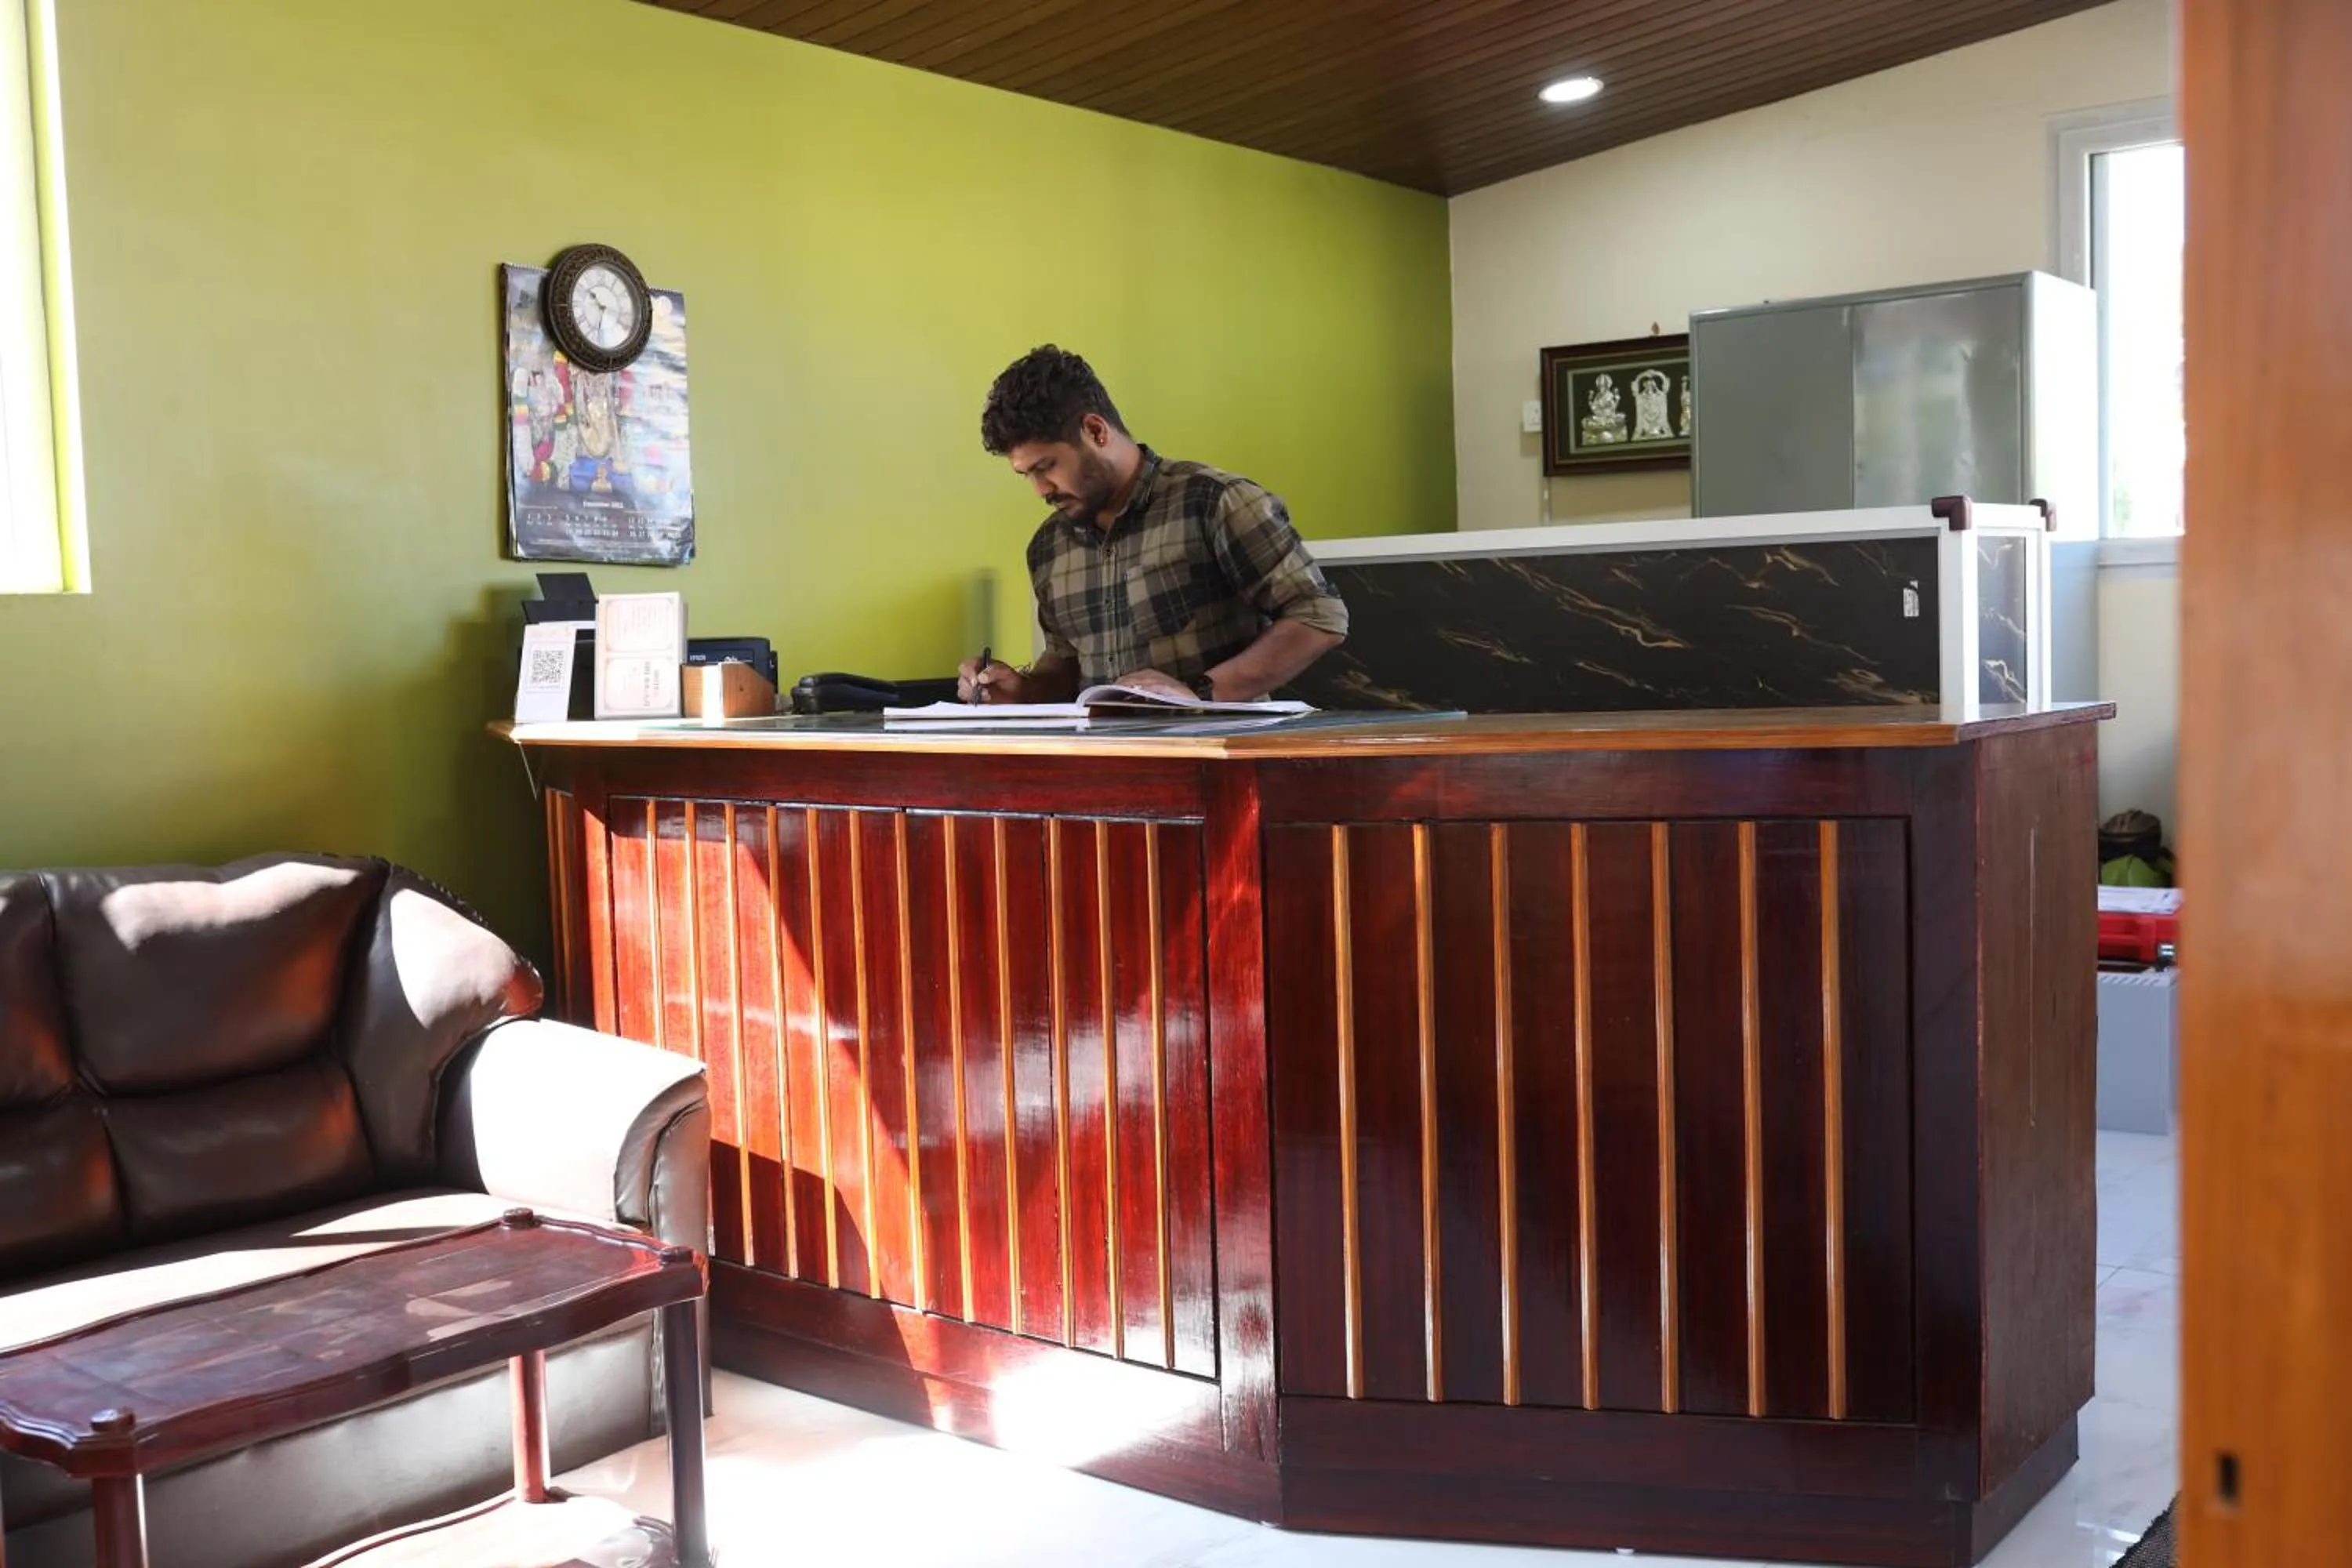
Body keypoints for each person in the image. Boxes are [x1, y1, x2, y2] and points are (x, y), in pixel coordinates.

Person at [959, 346, 1348, 705]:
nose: (1040, 489)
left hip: (1217, 763)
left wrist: (1198, 694)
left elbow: (1318, 614)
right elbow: (1067, 665)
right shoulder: (1048, 547)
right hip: (1103, 770)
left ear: (1096, 431)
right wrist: (1021, 690)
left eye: (1046, 467)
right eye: (1026, 474)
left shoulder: (1213, 502)